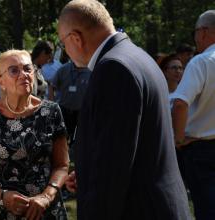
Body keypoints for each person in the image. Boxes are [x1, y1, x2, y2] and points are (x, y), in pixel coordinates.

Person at [58, 1, 191, 219]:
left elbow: (112, 167)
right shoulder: (138, 56)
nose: (66, 51)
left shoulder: (113, 68)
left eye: (63, 44)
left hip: (138, 208)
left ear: (75, 38)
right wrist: (87, 171)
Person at [0, 49, 69, 220]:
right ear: (1, 82)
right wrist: (2, 196)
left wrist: (46, 197)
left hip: (43, 211)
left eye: (27, 68)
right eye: (14, 70)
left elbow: (61, 165)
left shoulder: (51, 112)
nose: (23, 74)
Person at [171, 10, 215, 220]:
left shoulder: (201, 62)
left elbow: (180, 103)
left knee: (206, 208)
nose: (195, 37)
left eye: (196, 32)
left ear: (204, 31)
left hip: (201, 149)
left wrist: (177, 139)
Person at [49, 61, 91, 146]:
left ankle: (75, 150)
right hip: (64, 109)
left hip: (82, 111)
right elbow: (52, 85)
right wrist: (51, 102)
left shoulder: (90, 71)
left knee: (81, 136)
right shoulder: (63, 69)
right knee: (62, 134)